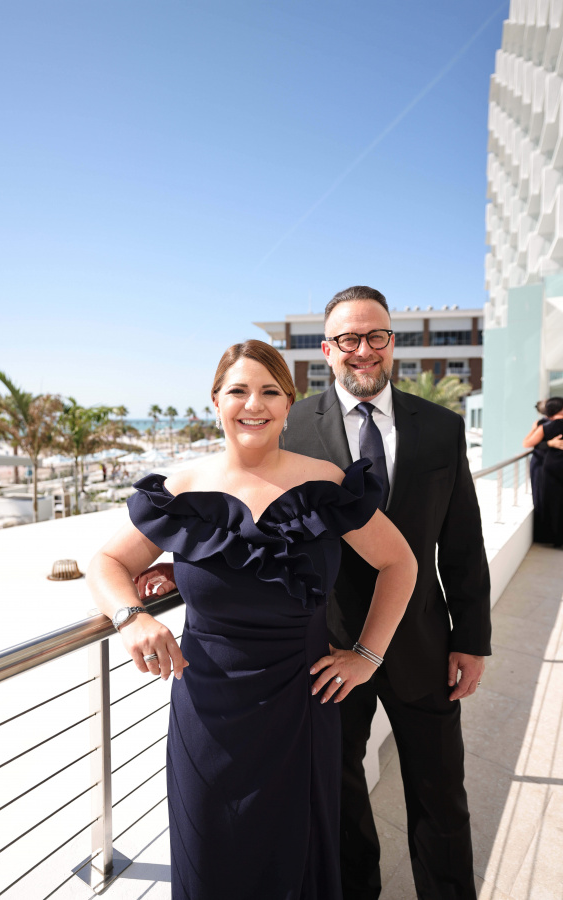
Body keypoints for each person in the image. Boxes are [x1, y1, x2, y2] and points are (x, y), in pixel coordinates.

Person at [87, 340, 417, 900]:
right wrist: (131, 617)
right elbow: (106, 562)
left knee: (298, 860)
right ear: (216, 401)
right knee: (210, 859)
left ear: (289, 403)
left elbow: (399, 562)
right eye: (238, 390)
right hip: (207, 713)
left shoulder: (327, 485)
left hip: (301, 706)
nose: (253, 404)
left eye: (269, 391)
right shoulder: (184, 491)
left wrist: (367, 655)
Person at [282, 286, 491, 900]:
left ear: (393, 342)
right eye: (349, 338)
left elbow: (462, 544)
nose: (364, 350)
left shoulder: (442, 429)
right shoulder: (290, 426)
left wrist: (472, 640)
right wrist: (179, 566)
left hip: (424, 645)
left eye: (377, 336)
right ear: (327, 350)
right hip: (327, 653)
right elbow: (255, 517)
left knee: (441, 799)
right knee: (341, 799)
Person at [523, 396, 563, 547]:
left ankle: (550, 537)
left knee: (549, 503)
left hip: (549, 469)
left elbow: (526, 443)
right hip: (550, 468)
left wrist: (537, 432)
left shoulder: (544, 426)